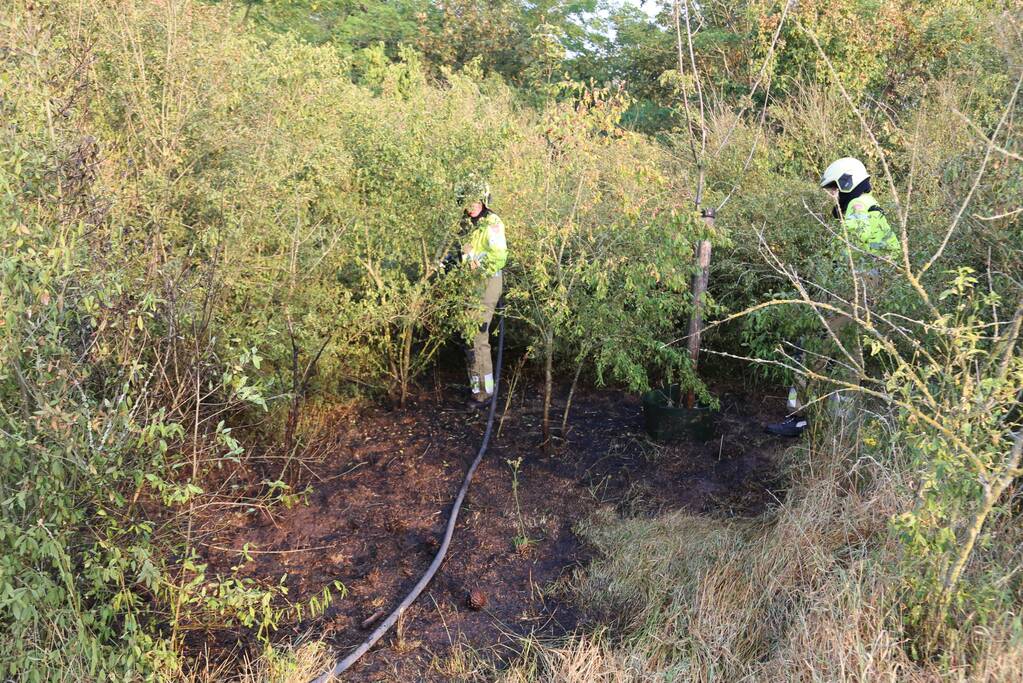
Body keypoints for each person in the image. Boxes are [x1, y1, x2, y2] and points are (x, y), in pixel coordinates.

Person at [766, 157, 900, 437]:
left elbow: (849, 254)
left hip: (854, 288)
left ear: (848, 183)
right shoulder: (871, 205)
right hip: (868, 292)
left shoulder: (858, 207)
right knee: (850, 355)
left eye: (835, 189)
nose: (833, 195)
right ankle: (843, 425)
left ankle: (798, 416)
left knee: (814, 345)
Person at [455, 176, 508, 411]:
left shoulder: (492, 222)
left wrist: (479, 266)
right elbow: (464, 254)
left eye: (475, 201)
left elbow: (499, 255)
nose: (471, 205)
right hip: (470, 283)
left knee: (478, 334)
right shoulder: (465, 225)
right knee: (468, 335)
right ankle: (476, 387)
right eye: (467, 202)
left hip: (487, 282)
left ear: (484, 200)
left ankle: (485, 394)